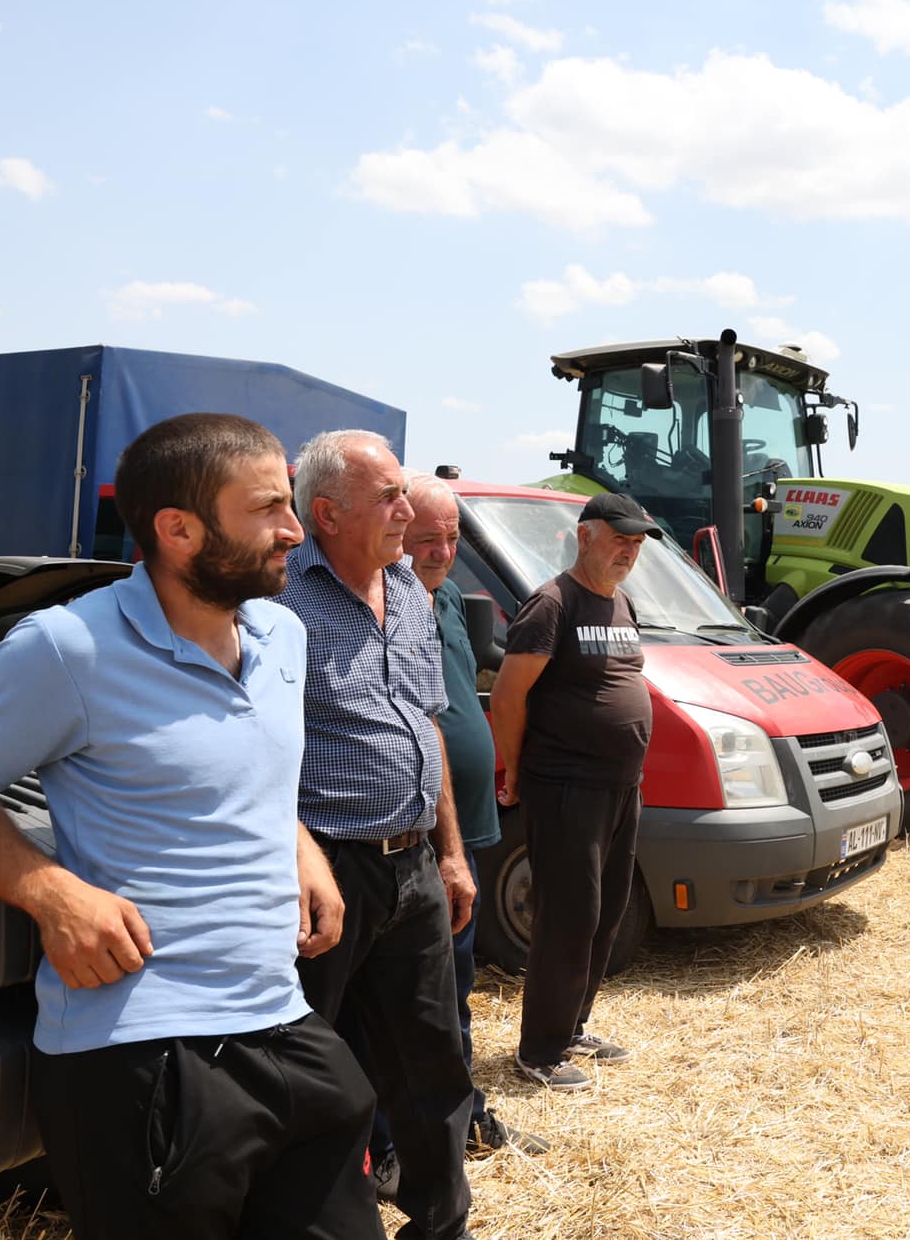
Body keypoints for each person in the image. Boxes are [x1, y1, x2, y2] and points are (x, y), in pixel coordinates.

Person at [0, 413, 381, 1240]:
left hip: (286, 1023)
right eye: (267, 509)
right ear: (178, 530)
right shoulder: (67, 648)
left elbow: (246, 773)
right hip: (145, 1053)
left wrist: (300, 846)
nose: (295, 532)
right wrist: (54, 895)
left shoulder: (283, 634)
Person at [279, 430, 476, 1240]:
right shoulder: (279, 601)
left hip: (413, 867)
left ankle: (441, 1225)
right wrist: (299, 860)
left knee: (434, 1067)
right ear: (327, 514)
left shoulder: (409, 589)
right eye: (389, 496)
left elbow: (425, 724)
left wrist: (451, 852)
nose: (406, 509)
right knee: (307, 1066)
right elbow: (253, 745)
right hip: (326, 871)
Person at [399, 471, 549, 1156]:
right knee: (424, 990)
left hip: (465, 825)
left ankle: (460, 1120)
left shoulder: (452, 598)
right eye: (426, 538)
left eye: (452, 537)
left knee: (455, 981)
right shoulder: (382, 603)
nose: (442, 551)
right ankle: (426, 1132)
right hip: (417, 831)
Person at [491, 492, 659, 1090]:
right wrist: (516, 771)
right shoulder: (552, 604)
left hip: (620, 787)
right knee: (568, 917)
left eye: (636, 543)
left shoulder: (621, 604)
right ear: (585, 536)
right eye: (619, 539)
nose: (629, 551)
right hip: (565, 787)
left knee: (606, 912)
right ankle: (538, 1051)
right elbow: (508, 697)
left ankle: (571, 1027)